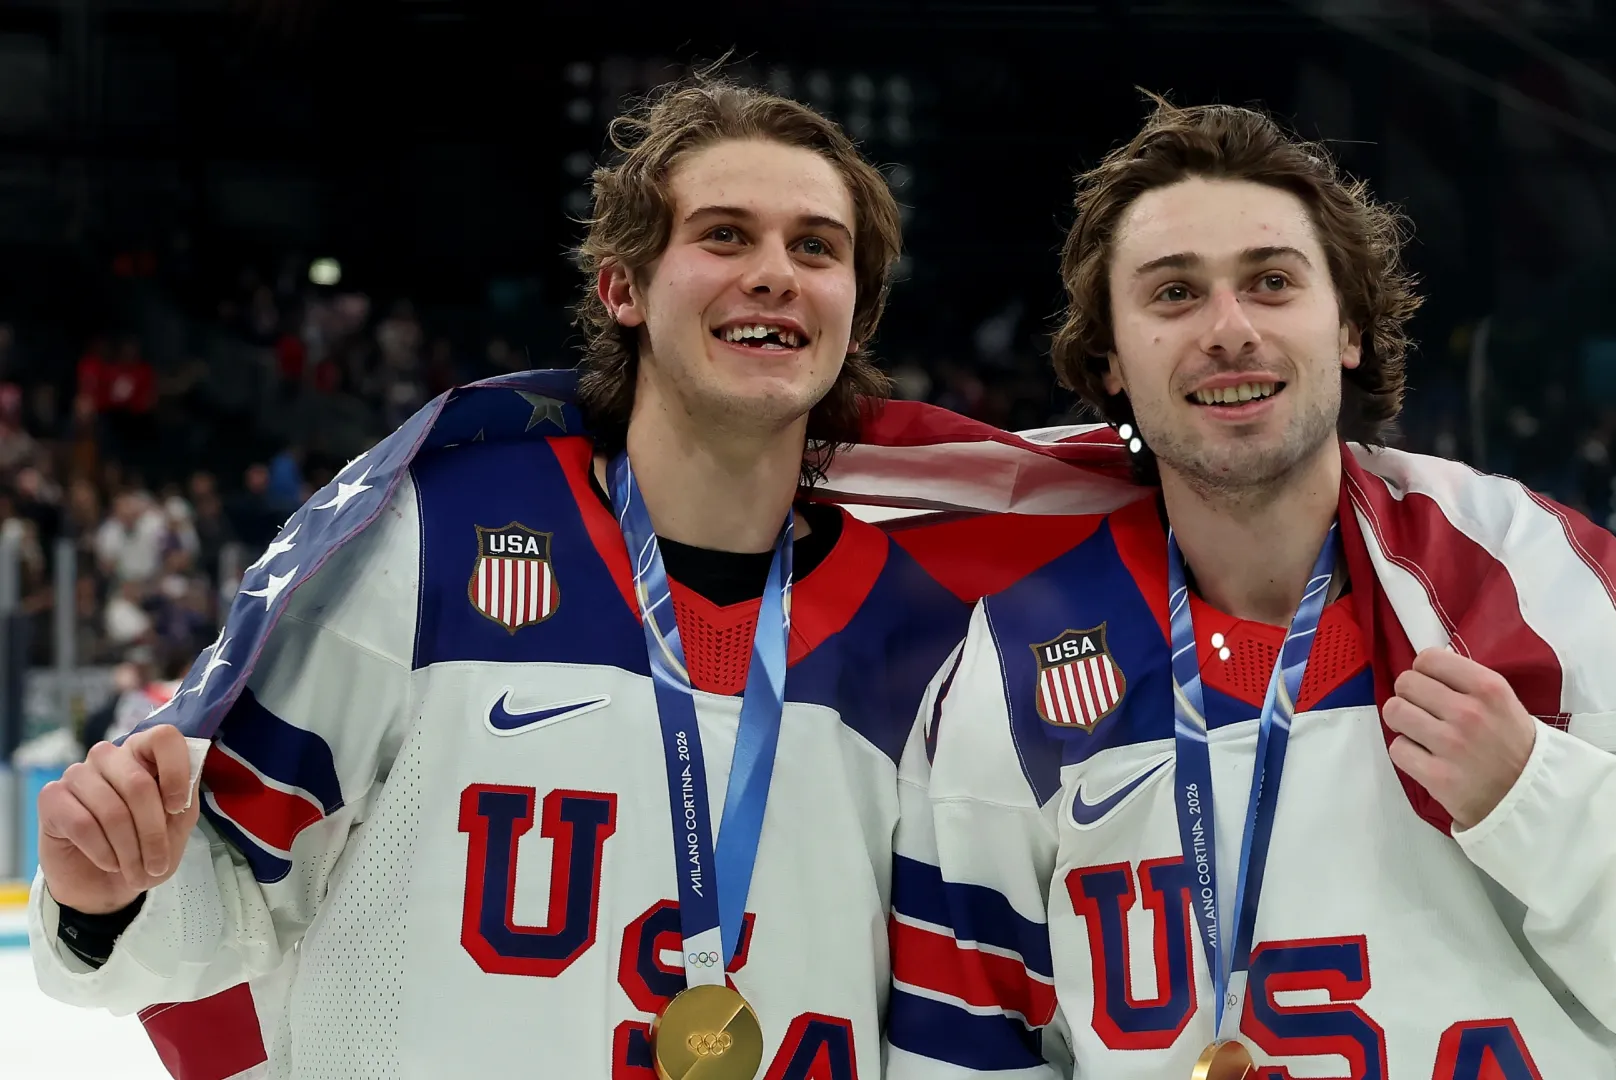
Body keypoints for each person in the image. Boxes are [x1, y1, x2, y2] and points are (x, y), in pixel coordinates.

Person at [886, 99, 1616, 1079]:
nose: (1229, 328)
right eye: (1175, 293)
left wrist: (1541, 806)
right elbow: (962, 1054)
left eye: (1272, 281)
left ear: (1351, 330)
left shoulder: (1530, 588)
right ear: (1110, 358)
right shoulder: (1017, 666)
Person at [29, 76, 983, 1079]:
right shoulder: (428, 536)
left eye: (816, 248)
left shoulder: (928, 642)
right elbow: (221, 899)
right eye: (724, 235)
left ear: (857, 316)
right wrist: (108, 896)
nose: (776, 274)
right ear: (622, 290)